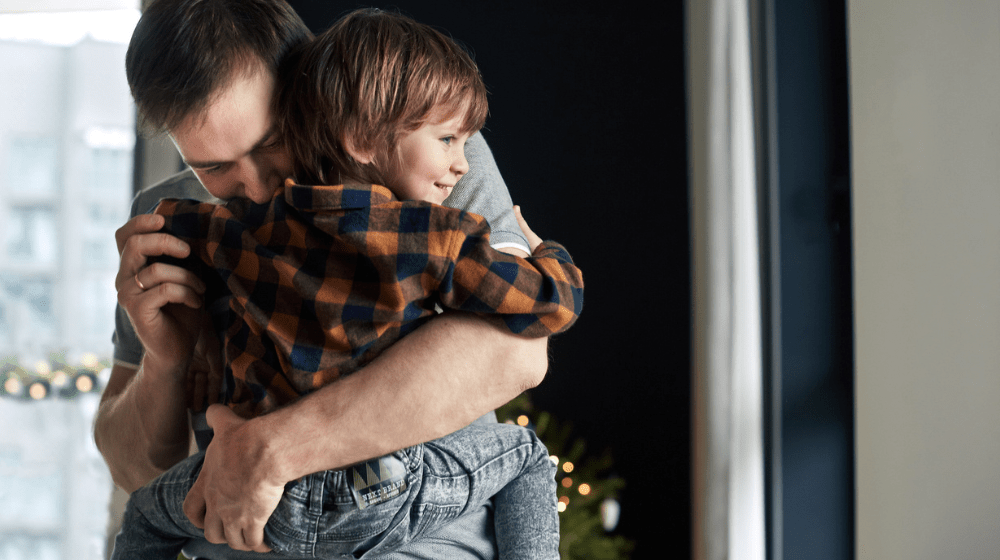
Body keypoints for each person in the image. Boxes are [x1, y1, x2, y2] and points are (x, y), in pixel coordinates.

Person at [109, 9, 581, 559]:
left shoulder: (417, 153)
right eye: (213, 168)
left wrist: (275, 449)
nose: (257, 189)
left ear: (311, 85)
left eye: (272, 143)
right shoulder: (163, 222)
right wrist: (163, 360)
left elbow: (515, 356)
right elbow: (137, 470)